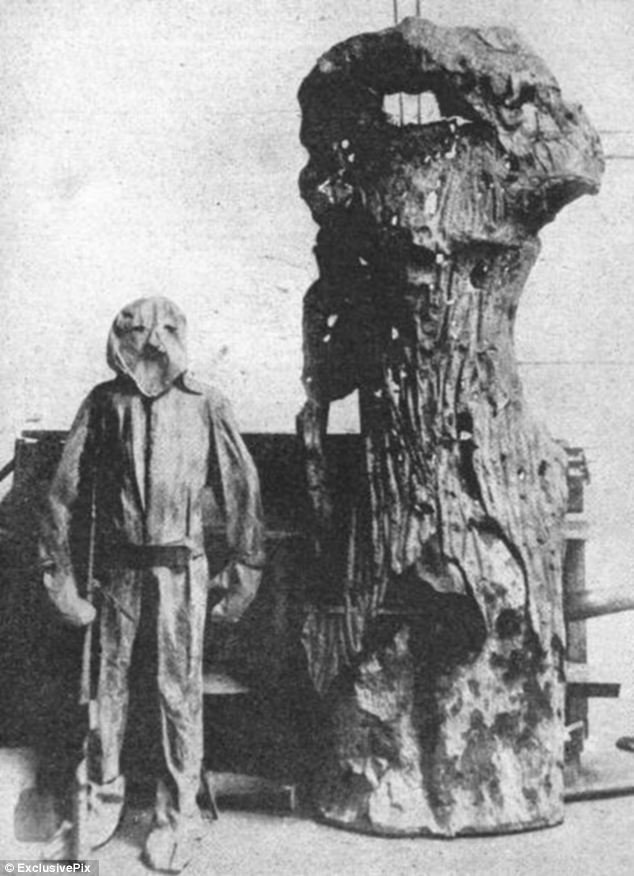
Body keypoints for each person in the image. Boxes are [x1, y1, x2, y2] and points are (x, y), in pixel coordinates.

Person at [39, 296, 265, 872]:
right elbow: (61, 494)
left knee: (177, 690)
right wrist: (60, 580)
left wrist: (245, 571)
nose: (151, 342)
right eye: (138, 331)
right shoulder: (104, 403)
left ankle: (178, 813)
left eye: (163, 331)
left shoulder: (207, 403)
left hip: (181, 571)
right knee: (107, 686)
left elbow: (242, 490)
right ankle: (99, 799)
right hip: (118, 570)